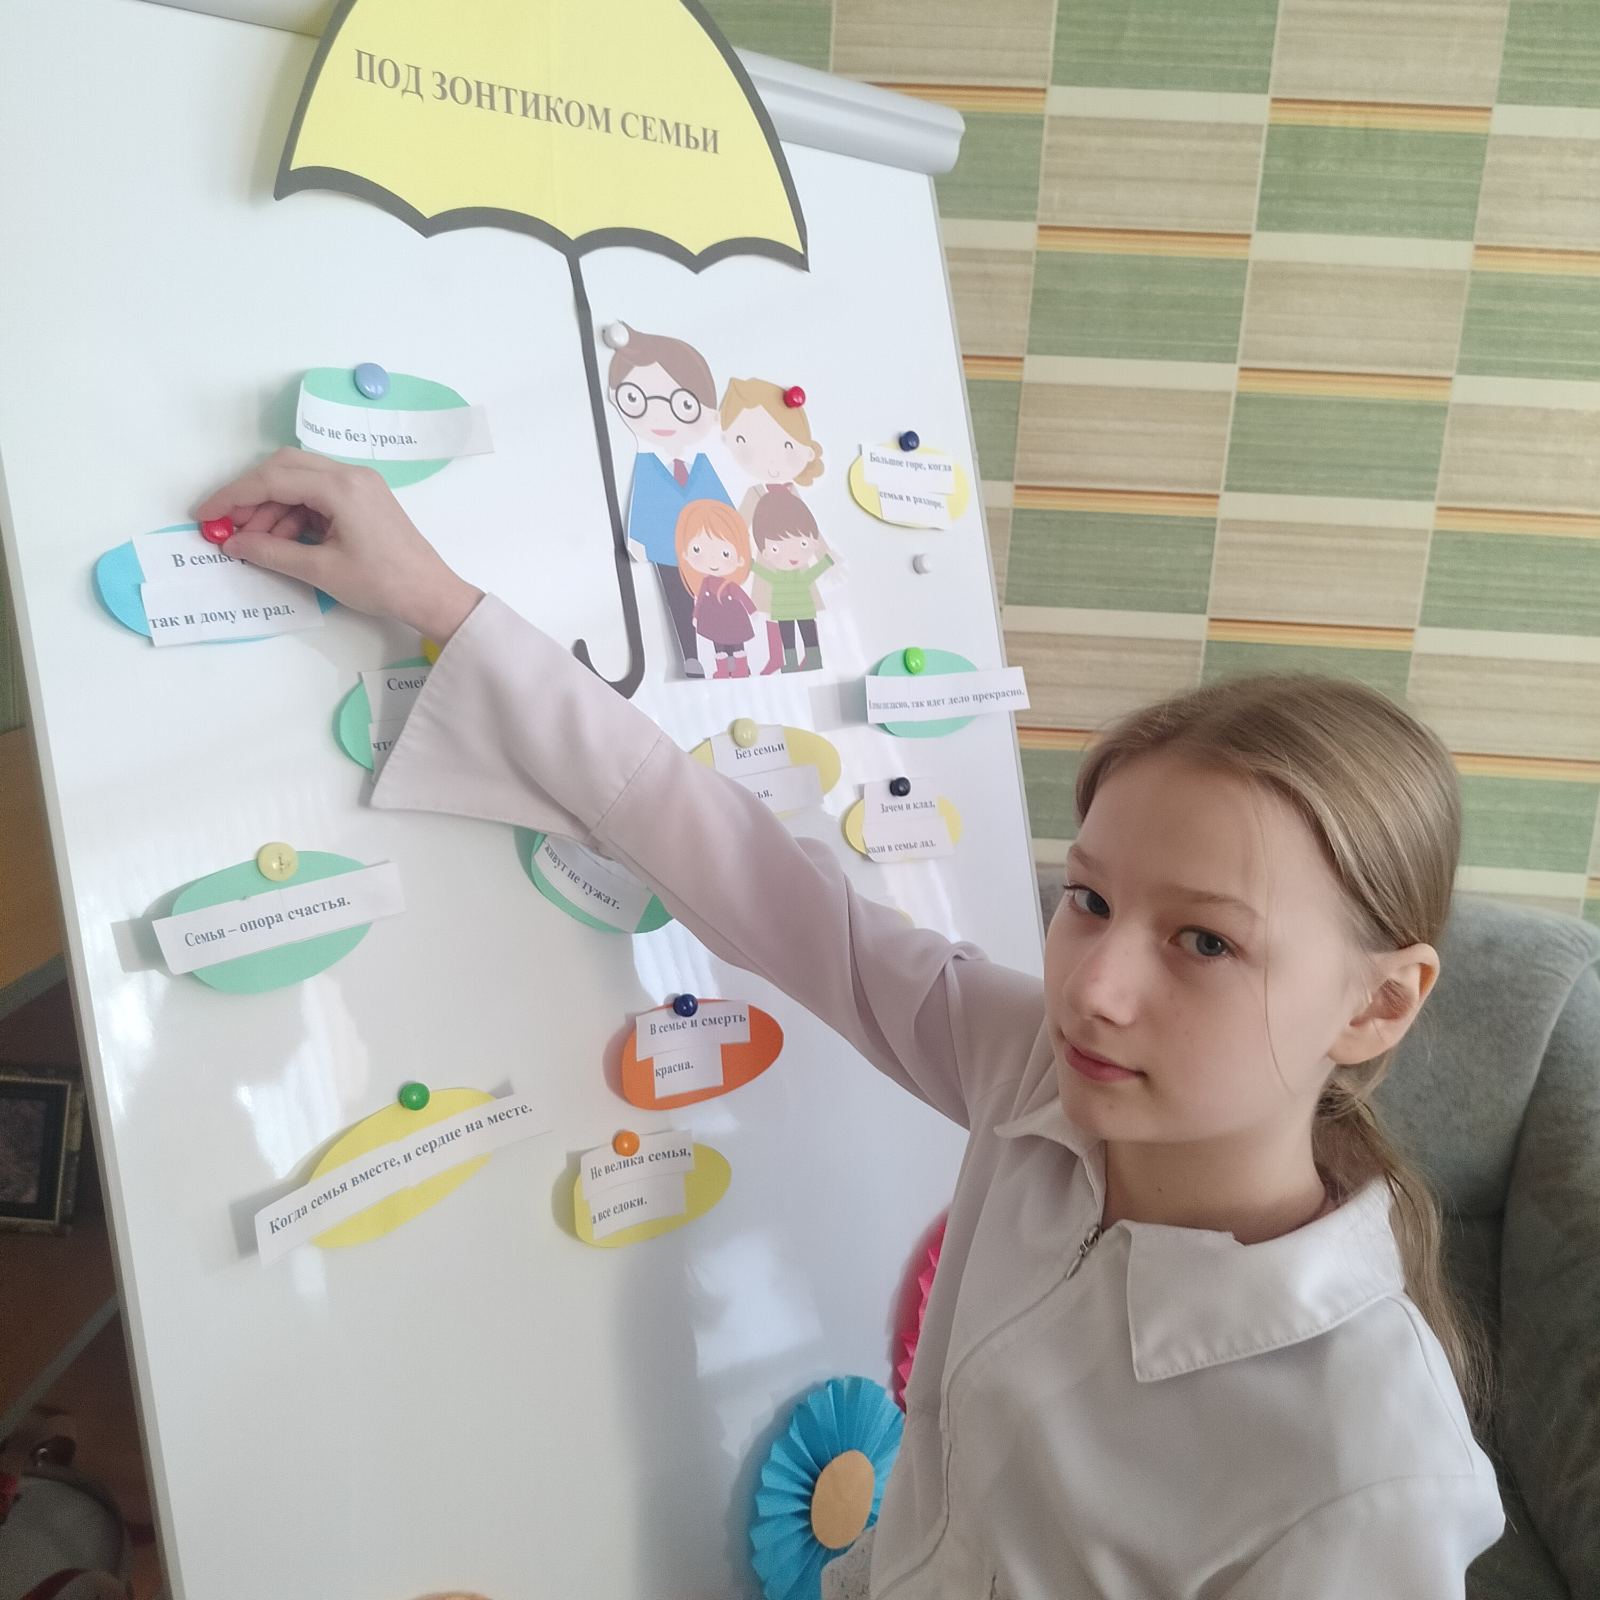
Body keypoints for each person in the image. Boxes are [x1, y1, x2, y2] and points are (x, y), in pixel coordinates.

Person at [195, 450, 1505, 1598]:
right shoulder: (1038, 1078)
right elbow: (751, 876)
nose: (1096, 986)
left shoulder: (1367, 1466)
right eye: (1089, 900)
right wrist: (439, 603)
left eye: (1204, 942)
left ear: (1379, 1001)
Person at [606, 324, 731, 678]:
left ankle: (724, 652)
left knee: (716, 601)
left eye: (683, 404)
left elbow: (723, 508)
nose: (660, 416)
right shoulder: (646, 465)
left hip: (708, 551)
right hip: (665, 550)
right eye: (637, 399)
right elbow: (643, 503)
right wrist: (637, 541)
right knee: (680, 603)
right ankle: (692, 657)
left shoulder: (703, 465)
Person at [720, 376, 825, 676]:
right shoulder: (755, 493)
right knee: (771, 612)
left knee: (801, 612)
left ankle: (807, 656)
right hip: (768, 560)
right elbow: (739, 526)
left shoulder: (793, 492)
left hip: (797, 563)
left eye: (785, 444)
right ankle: (777, 657)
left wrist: (828, 556)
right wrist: (733, 557)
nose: (769, 460)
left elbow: (813, 530)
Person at [750, 493, 834, 675]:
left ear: (813, 543)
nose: (793, 553)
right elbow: (766, 574)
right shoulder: (778, 577)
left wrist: (827, 561)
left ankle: (813, 658)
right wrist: (752, 565)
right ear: (765, 553)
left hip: (804, 610)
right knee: (787, 638)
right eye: (776, 548)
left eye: (802, 543)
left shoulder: (799, 576)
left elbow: (812, 573)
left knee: (808, 634)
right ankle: (791, 662)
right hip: (783, 612)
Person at [675, 498, 758, 679]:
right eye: (697, 549)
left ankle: (740, 668)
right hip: (713, 618)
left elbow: (742, 597)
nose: (712, 560)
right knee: (718, 644)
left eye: (725, 553)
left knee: (736, 643)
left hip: (733, 617)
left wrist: (752, 611)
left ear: (740, 558)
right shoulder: (705, 583)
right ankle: (723, 669)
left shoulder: (730, 585)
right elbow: (700, 600)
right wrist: (696, 616)